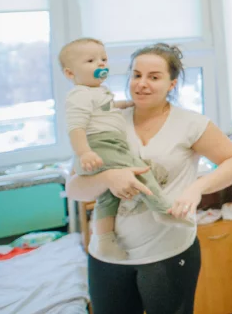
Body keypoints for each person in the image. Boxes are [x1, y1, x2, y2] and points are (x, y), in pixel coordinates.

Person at [65, 43, 232, 314]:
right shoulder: (107, 120)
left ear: (171, 84)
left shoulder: (190, 123)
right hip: (108, 258)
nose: (142, 83)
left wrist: (197, 188)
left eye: (154, 76)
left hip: (168, 253)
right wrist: (109, 179)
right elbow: (75, 188)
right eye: (136, 75)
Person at [60, 37, 189, 261]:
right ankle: (162, 209)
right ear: (70, 74)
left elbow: (106, 109)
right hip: (103, 144)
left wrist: (125, 104)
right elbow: (76, 127)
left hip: (106, 145)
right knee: (140, 169)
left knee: (108, 198)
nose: (100, 64)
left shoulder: (98, 92)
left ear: (171, 84)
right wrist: (84, 153)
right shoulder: (79, 95)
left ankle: (105, 239)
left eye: (103, 59)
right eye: (91, 60)